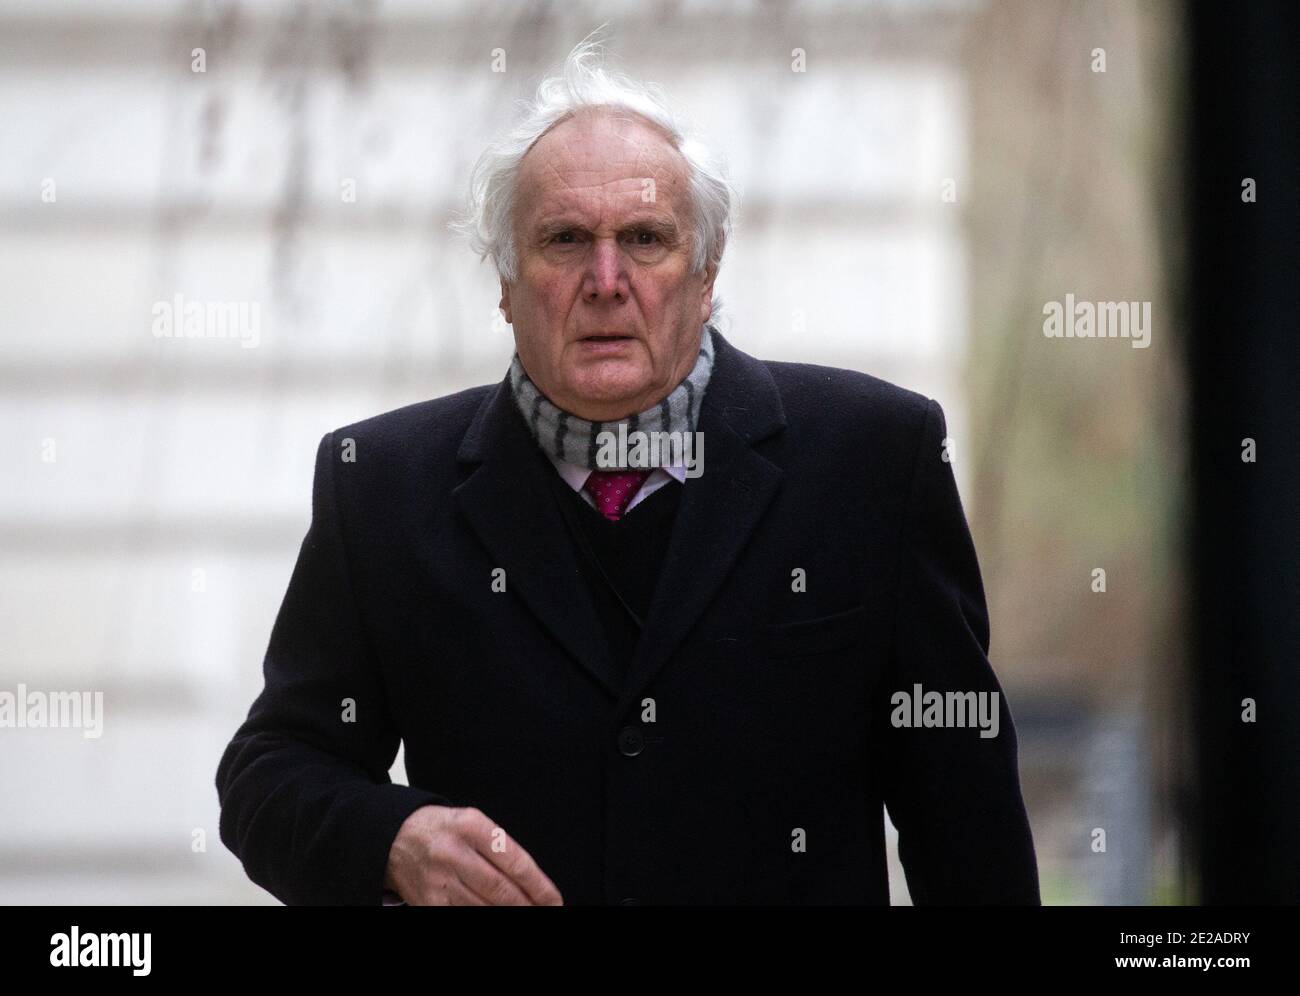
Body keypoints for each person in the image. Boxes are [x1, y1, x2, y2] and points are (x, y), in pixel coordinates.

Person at [215, 36, 1039, 906]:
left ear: (708, 269)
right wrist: (392, 839)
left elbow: (968, 822)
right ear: (504, 279)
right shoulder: (381, 486)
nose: (606, 281)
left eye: (645, 239)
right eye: (564, 240)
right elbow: (269, 771)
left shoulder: (874, 459)